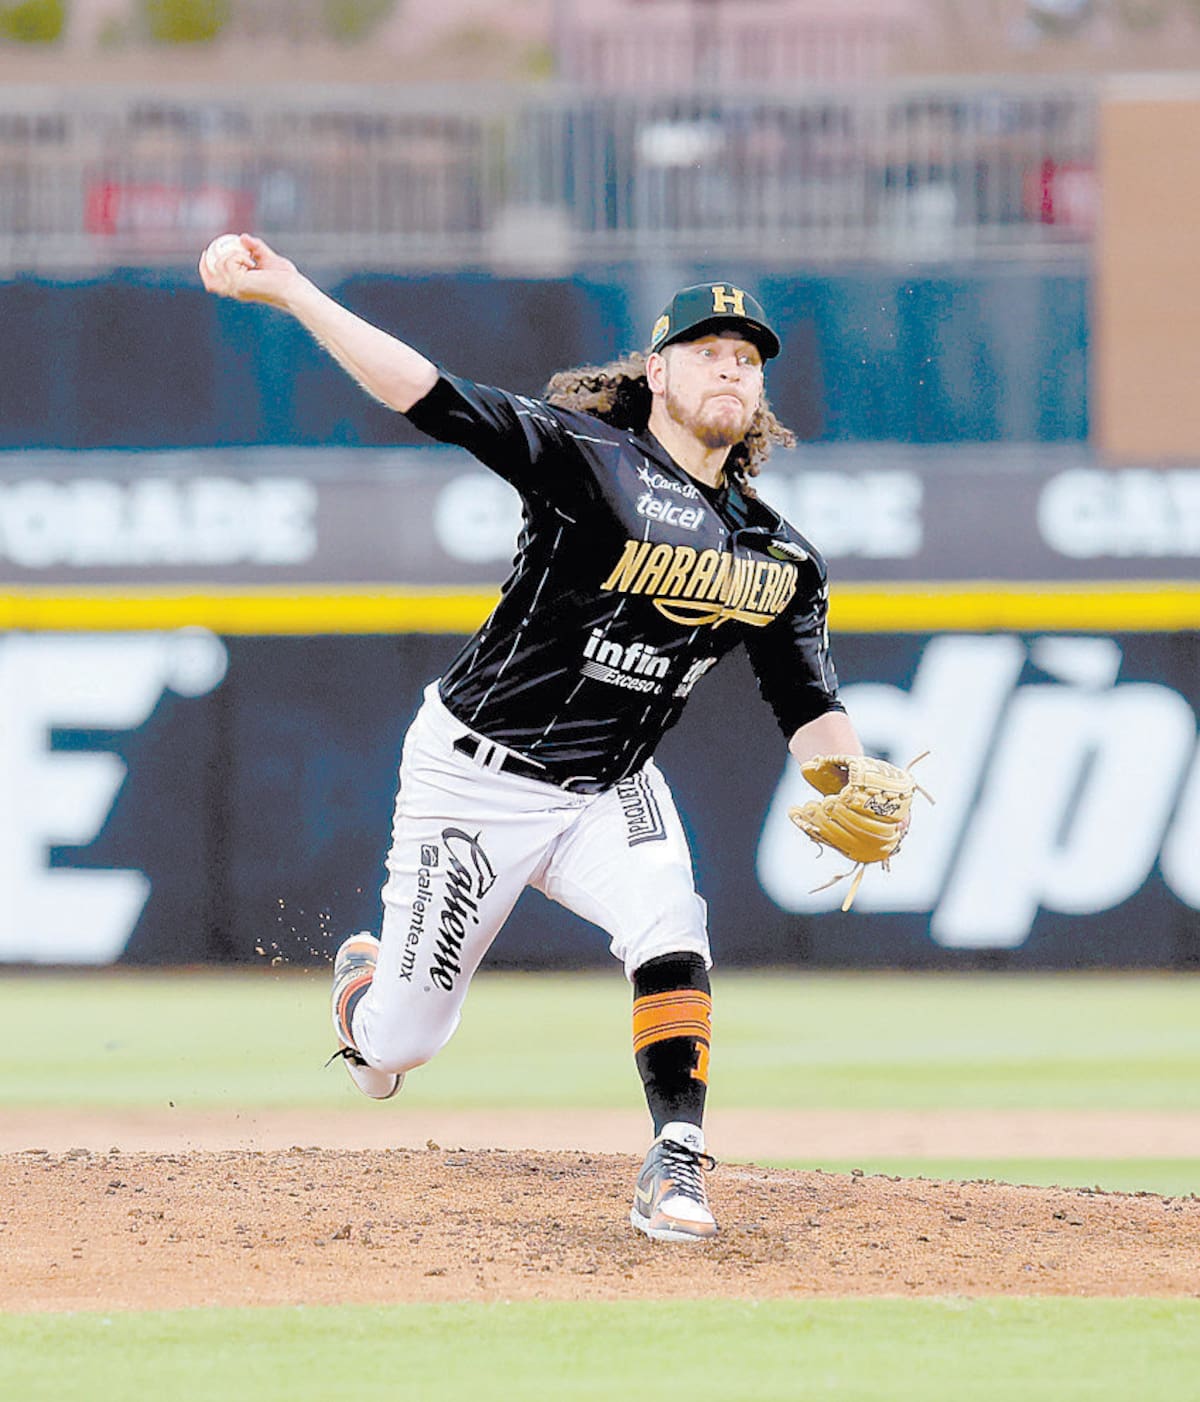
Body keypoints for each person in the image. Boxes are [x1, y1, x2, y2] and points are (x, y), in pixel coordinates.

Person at [199, 235, 866, 1244]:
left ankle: (676, 1159)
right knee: (396, 1051)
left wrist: (851, 781)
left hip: (609, 783)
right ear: (655, 372)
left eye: (747, 355)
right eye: (706, 348)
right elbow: (434, 395)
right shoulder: (588, 458)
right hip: (475, 777)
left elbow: (806, 701)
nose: (731, 365)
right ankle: (361, 997)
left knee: (671, 923)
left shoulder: (778, 556)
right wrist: (294, 292)